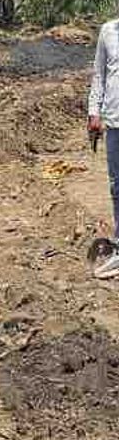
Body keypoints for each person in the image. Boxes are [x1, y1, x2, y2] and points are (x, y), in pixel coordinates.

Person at [88, 17, 119, 278]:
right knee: (117, 187)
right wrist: (93, 111)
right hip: (115, 121)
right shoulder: (108, 31)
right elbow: (100, 74)